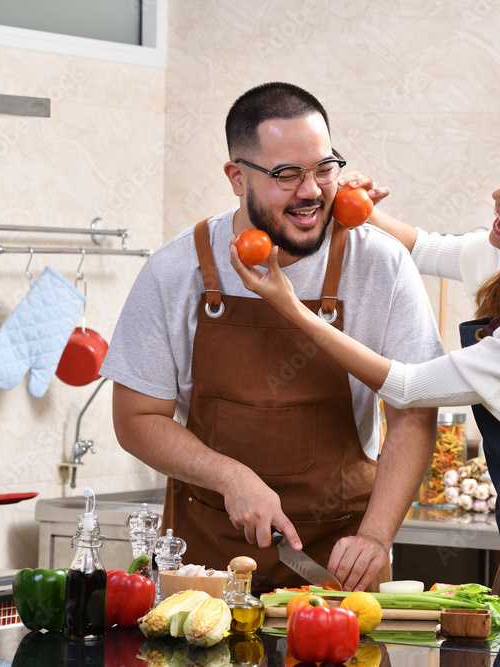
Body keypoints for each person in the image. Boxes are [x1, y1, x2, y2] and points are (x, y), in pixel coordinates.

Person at [229, 136, 500, 614]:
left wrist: (291, 308)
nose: (499, 192)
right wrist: (351, 206)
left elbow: (407, 387)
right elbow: (423, 248)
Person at [101, 82, 443, 593]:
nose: (311, 192)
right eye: (286, 175)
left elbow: (413, 416)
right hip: (206, 566)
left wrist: (375, 537)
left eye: (324, 169)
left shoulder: (379, 263)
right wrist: (229, 476)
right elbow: (136, 419)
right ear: (237, 178)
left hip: (338, 566)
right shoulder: (176, 269)